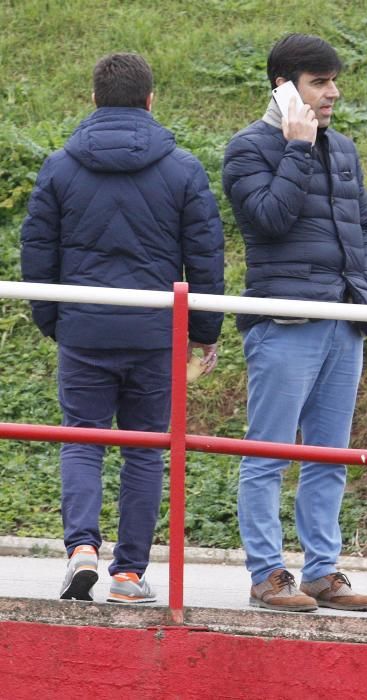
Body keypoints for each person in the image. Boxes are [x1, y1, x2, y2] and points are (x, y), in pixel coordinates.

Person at [21, 53, 224, 603]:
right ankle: (129, 575)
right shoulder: (182, 168)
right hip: (156, 333)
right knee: (145, 450)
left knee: (82, 440)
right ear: (150, 100)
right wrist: (203, 331)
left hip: (84, 328)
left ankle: (80, 549)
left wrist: (54, 320)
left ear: (93, 100)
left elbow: (36, 253)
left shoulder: (60, 166)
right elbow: (205, 258)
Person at [223, 33, 367, 612]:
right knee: (266, 455)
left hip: (343, 319)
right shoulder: (246, 148)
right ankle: (267, 574)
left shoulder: (343, 149)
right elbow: (267, 219)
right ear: (284, 88)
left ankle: (321, 572)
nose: (333, 93)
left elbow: (365, 227)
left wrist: (364, 294)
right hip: (284, 321)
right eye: (320, 82)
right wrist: (295, 146)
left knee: (330, 457)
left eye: (334, 80)